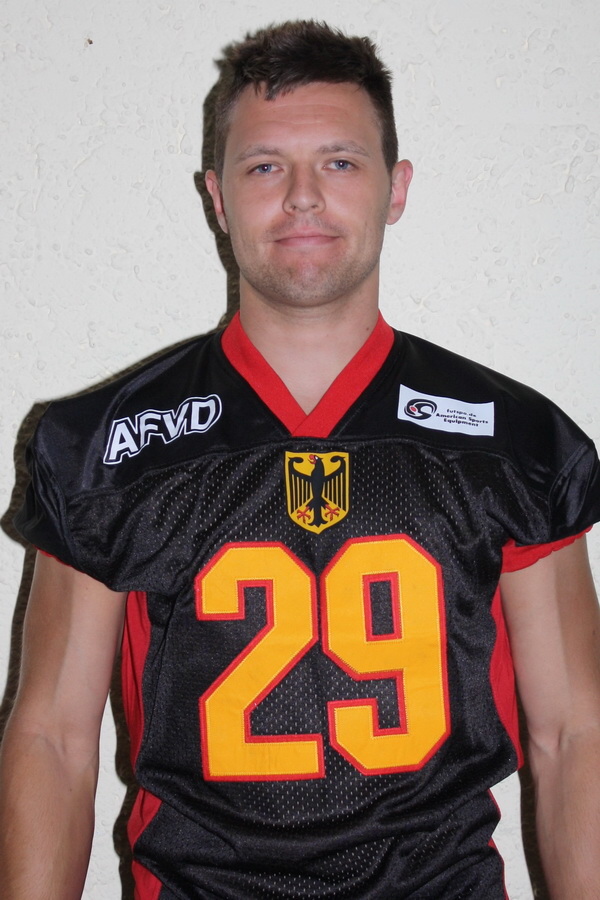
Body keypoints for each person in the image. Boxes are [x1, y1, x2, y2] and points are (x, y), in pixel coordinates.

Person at [1, 19, 599, 900]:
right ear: (217, 197)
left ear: (396, 188)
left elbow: (574, 734)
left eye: (340, 163)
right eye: (265, 167)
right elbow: (52, 738)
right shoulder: (106, 447)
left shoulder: (513, 441)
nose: (304, 198)